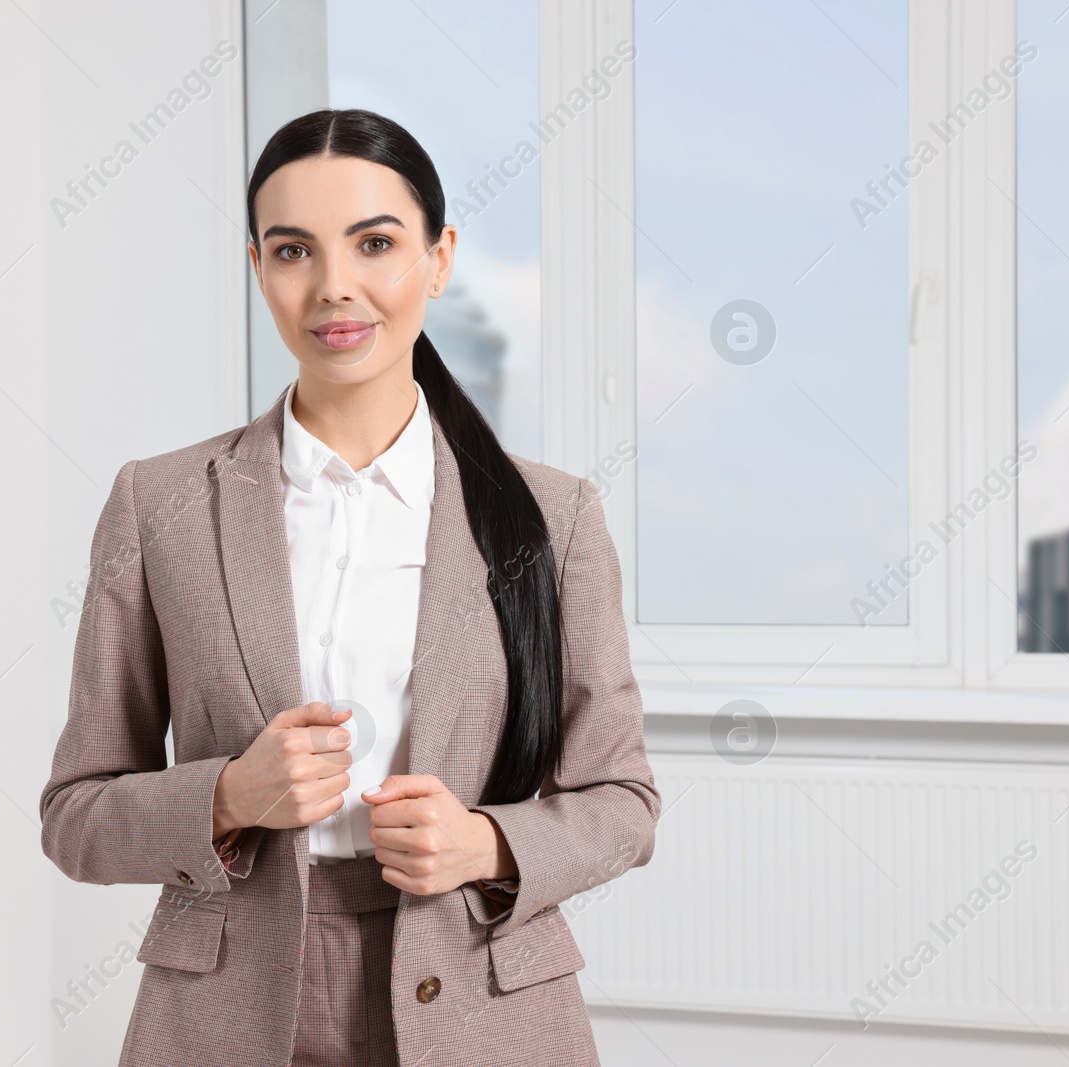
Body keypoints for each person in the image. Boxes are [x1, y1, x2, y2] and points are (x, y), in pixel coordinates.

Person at [37, 107, 661, 1066]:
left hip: (486, 998)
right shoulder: (156, 503)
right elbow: (75, 818)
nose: (335, 287)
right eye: (293, 250)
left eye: (375, 243)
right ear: (257, 269)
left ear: (439, 257)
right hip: (229, 1004)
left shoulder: (554, 514)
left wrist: (487, 845)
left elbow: (622, 801)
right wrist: (227, 795)